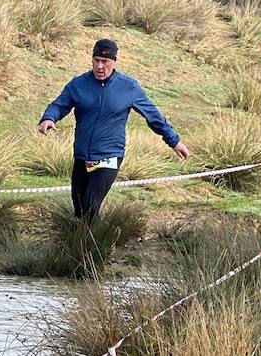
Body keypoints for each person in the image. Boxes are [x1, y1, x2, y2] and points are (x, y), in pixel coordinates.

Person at [38, 38, 191, 223]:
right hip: (82, 157)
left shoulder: (129, 87)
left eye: (105, 62)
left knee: (89, 206)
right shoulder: (78, 84)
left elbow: (154, 117)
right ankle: (99, 240)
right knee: (79, 209)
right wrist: (48, 118)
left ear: (114, 62)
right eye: (96, 61)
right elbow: (59, 105)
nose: (100, 66)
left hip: (109, 156)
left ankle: (92, 250)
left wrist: (174, 141)